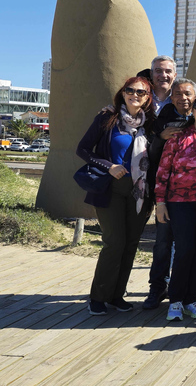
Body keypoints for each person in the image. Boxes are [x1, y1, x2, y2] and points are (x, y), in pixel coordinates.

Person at [77, 76, 156, 315]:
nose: (135, 94)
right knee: (114, 243)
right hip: (110, 188)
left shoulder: (150, 124)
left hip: (139, 191)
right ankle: (98, 297)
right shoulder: (107, 118)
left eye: (141, 92)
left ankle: (116, 296)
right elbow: (82, 149)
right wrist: (108, 165)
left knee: (131, 244)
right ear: (123, 93)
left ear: (147, 98)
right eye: (130, 90)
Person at [155, 93, 196, 322]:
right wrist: (160, 202)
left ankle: (192, 299)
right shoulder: (177, 137)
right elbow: (163, 171)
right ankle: (175, 300)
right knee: (184, 250)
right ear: (192, 110)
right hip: (179, 202)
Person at [143, 78, 196, 310]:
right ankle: (157, 288)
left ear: (195, 96)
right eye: (178, 94)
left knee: (189, 246)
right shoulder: (160, 121)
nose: (183, 98)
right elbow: (151, 157)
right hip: (167, 191)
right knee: (163, 243)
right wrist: (160, 138)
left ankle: (184, 291)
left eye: (187, 94)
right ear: (171, 96)